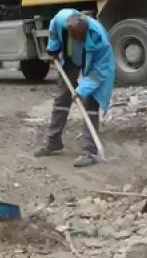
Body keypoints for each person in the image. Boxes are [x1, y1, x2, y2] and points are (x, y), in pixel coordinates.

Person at [34, 9, 115, 168]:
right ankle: (53, 142)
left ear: (85, 33)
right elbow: (53, 31)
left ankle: (89, 151)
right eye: (72, 36)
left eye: (79, 37)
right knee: (61, 99)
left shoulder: (100, 41)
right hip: (71, 60)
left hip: (95, 66)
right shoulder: (62, 20)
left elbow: (99, 73)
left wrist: (81, 90)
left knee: (91, 103)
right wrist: (53, 50)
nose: (75, 39)